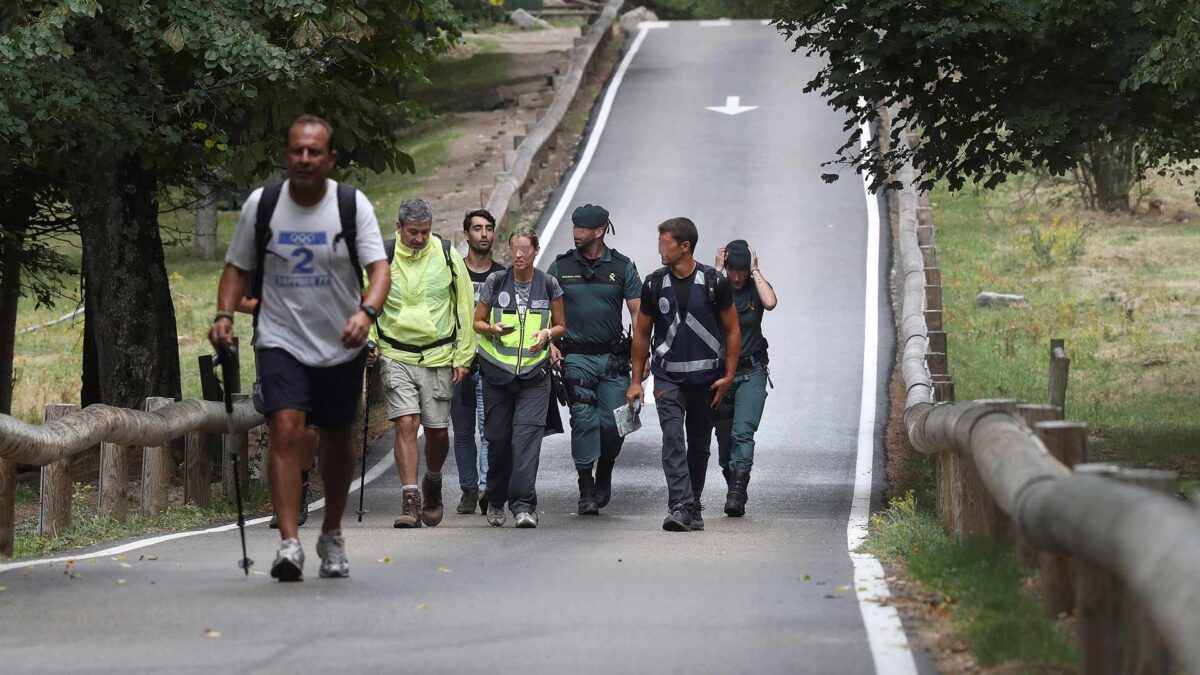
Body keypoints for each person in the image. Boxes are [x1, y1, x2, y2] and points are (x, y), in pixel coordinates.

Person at [211, 115, 390, 581]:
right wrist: (225, 315)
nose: (305, 159)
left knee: (335, 441)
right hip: (280, 337)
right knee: (286, 428)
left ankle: (331, 531)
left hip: (340, 340)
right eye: (297, 151)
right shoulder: (263, 204)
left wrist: (365, 313)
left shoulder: (351, 206)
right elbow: (235, 268)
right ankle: (289, 543)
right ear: (286, 155)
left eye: (314, 152)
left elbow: (379, 270)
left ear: (330, 158)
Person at [367, 197, 475, 529]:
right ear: (398, 227)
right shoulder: (382, 260)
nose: (419, 238)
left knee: (438, 432)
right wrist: (370, 339)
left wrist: (464, 356)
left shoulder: (446, 256)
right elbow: (367, 301)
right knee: (406, 423)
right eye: (413, 232)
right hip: (396, 353)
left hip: (439, 355)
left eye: (425, 232)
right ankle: (410, 498)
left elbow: (465, 308)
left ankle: (433, 479)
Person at [627, 217, 740, 532]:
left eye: (666, 243)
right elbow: (641, 334)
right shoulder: (653, 284)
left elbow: (732, 329)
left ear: (685, 246)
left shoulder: (714, 283)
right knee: (673, 438)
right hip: (668, 378)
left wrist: (729, 373)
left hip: (707, 380)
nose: (660, 249)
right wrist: (636, 381)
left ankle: (693, 503)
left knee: (700, 443)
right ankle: (681, 505)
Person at [547, 204, 641, 515]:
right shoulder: (560, 268)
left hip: (614, 359)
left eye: (582, 229)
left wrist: (643, 358)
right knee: (584, 421)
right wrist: (550, 343)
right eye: (574, 227)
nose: (575, 234)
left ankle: (606, 468)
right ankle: (586, 487)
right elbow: (542, 308)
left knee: (619, 423)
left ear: (598, 232)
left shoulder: (623, 267)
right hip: (576, 357)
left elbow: (638, 314)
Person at [473, 227, 565, 528]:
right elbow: (477, 322)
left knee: (526, 442)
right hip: (497, 375)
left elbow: (561, 325)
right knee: (498, 442)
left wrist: (547, 334)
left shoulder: (549, 284)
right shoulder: (496, 281)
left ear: (536, 250)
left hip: (534, 378)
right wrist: (492, 329)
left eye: (525, 248)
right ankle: (496, 500)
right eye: (514, 248)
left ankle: (524, 505)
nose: (519, 254)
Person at [713, 240, 777, 517]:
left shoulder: (753, 287)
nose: (736, 277)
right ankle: (732, 480)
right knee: (725, 442)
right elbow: (700, 306)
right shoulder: (717, 286)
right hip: (719, 376)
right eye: (732, 271)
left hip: (751, 371)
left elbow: (771, 302)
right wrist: (716, 273)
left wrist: (755, 270)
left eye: (741, 271)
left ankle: (738, 492)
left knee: (743, 432)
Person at [451, 209, 506, 515]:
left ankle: (487, 489)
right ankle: (468, 490)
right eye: (477, 229)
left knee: (489, 431)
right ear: (466, 235)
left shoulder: (502, 276)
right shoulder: (454, 273)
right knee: (461, 432)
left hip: (491, 364)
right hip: (459, 363)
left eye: (488, 228)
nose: (483, 234)